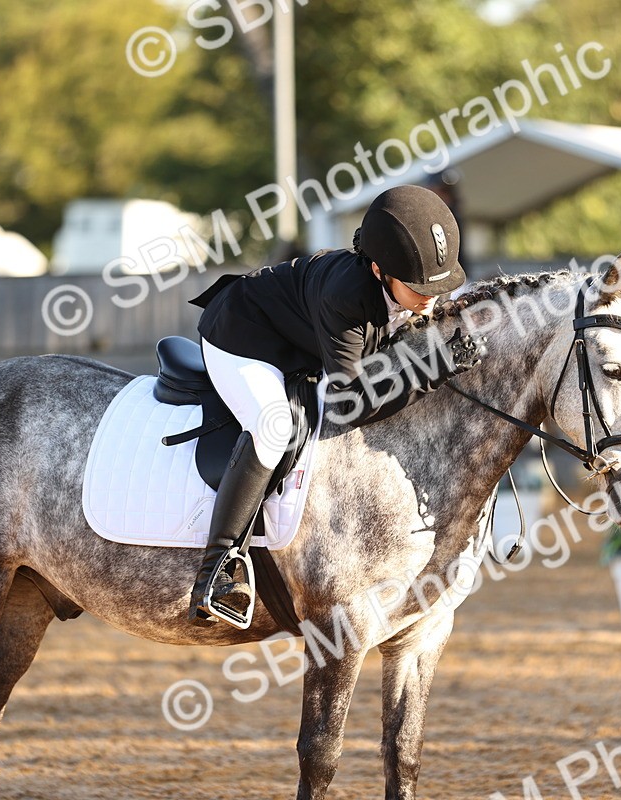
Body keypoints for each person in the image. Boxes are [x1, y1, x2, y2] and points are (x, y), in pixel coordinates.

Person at [186, 185, 487, 628]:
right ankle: (217, 569)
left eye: (438, 285)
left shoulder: (408, 290)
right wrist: (432, 369)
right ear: (379, 270)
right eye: (420, 286)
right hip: (243, 338)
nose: (431, 297)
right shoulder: (346, 296)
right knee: (274, 426)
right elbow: (348, 404)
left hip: (302, 342)